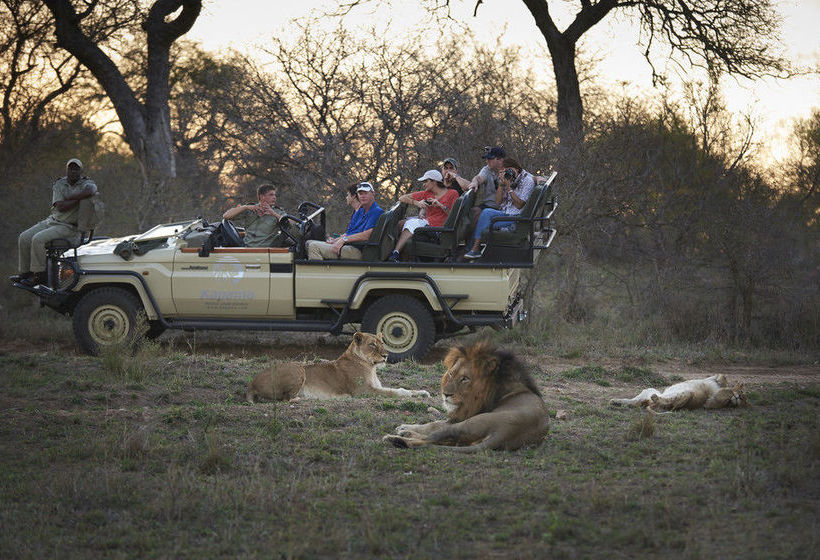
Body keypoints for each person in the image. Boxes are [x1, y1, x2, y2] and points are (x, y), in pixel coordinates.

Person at [13, 158, 98, 287]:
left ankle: (39, 275)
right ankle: (25, 273)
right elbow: (60, 206)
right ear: (67, 170)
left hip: (69, 227)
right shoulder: (60, 183)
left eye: (76, 169)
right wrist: (79, 196)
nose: (73, 171)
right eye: (71, 168)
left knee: (37, 239)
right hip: (52, 221)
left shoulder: (86, 183)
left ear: (81, 171)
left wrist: (70, 198)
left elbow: (92, 189)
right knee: (24, 237)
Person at [464, 157, 535, 259]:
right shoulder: (509, 179)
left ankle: (473, 248)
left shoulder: (527, 181)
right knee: (485, 212)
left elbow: (519, 205)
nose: (508, 173)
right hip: (505, 214)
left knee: (484, 221)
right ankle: (474, 248)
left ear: (517, 168)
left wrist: (509, 188)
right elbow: (497, 203)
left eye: (509, 170)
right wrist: (502, 185)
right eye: (504, 171)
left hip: (516, 219)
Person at [388, 170, 458, 262]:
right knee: (406, 223)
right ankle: (395, 254)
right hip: (427, 225)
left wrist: (441, 206)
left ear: (434, 181)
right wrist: (417, 203)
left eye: (426, 181)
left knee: (411, 223)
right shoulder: (427, 193)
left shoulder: (452, 193)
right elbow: (402, 198)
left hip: (440, 229)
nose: (423, 184)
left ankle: (397, 254)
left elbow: (455, 216)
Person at [306, 182, 384, 260]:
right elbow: (350, 233)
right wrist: (335, 240)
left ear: (373, 194)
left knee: (314, 247)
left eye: (365, 193)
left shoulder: (376, 212)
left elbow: (366, 235)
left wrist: (343, 240)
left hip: (358, 250)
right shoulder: (360, 211)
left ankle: (320, 272)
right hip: (349, 246)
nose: (363, 196)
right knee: (308, 243)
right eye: (360, 193)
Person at [222, 184, 286, 247]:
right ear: (262, 197)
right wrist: (245, 207)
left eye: (275, 195)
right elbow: (226, 216)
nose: (274, 197)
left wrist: (274, 214)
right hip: (247, 249)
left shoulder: (278, 212)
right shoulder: (250, 209)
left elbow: (292, 223)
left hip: (266, 251)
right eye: (271, 195)